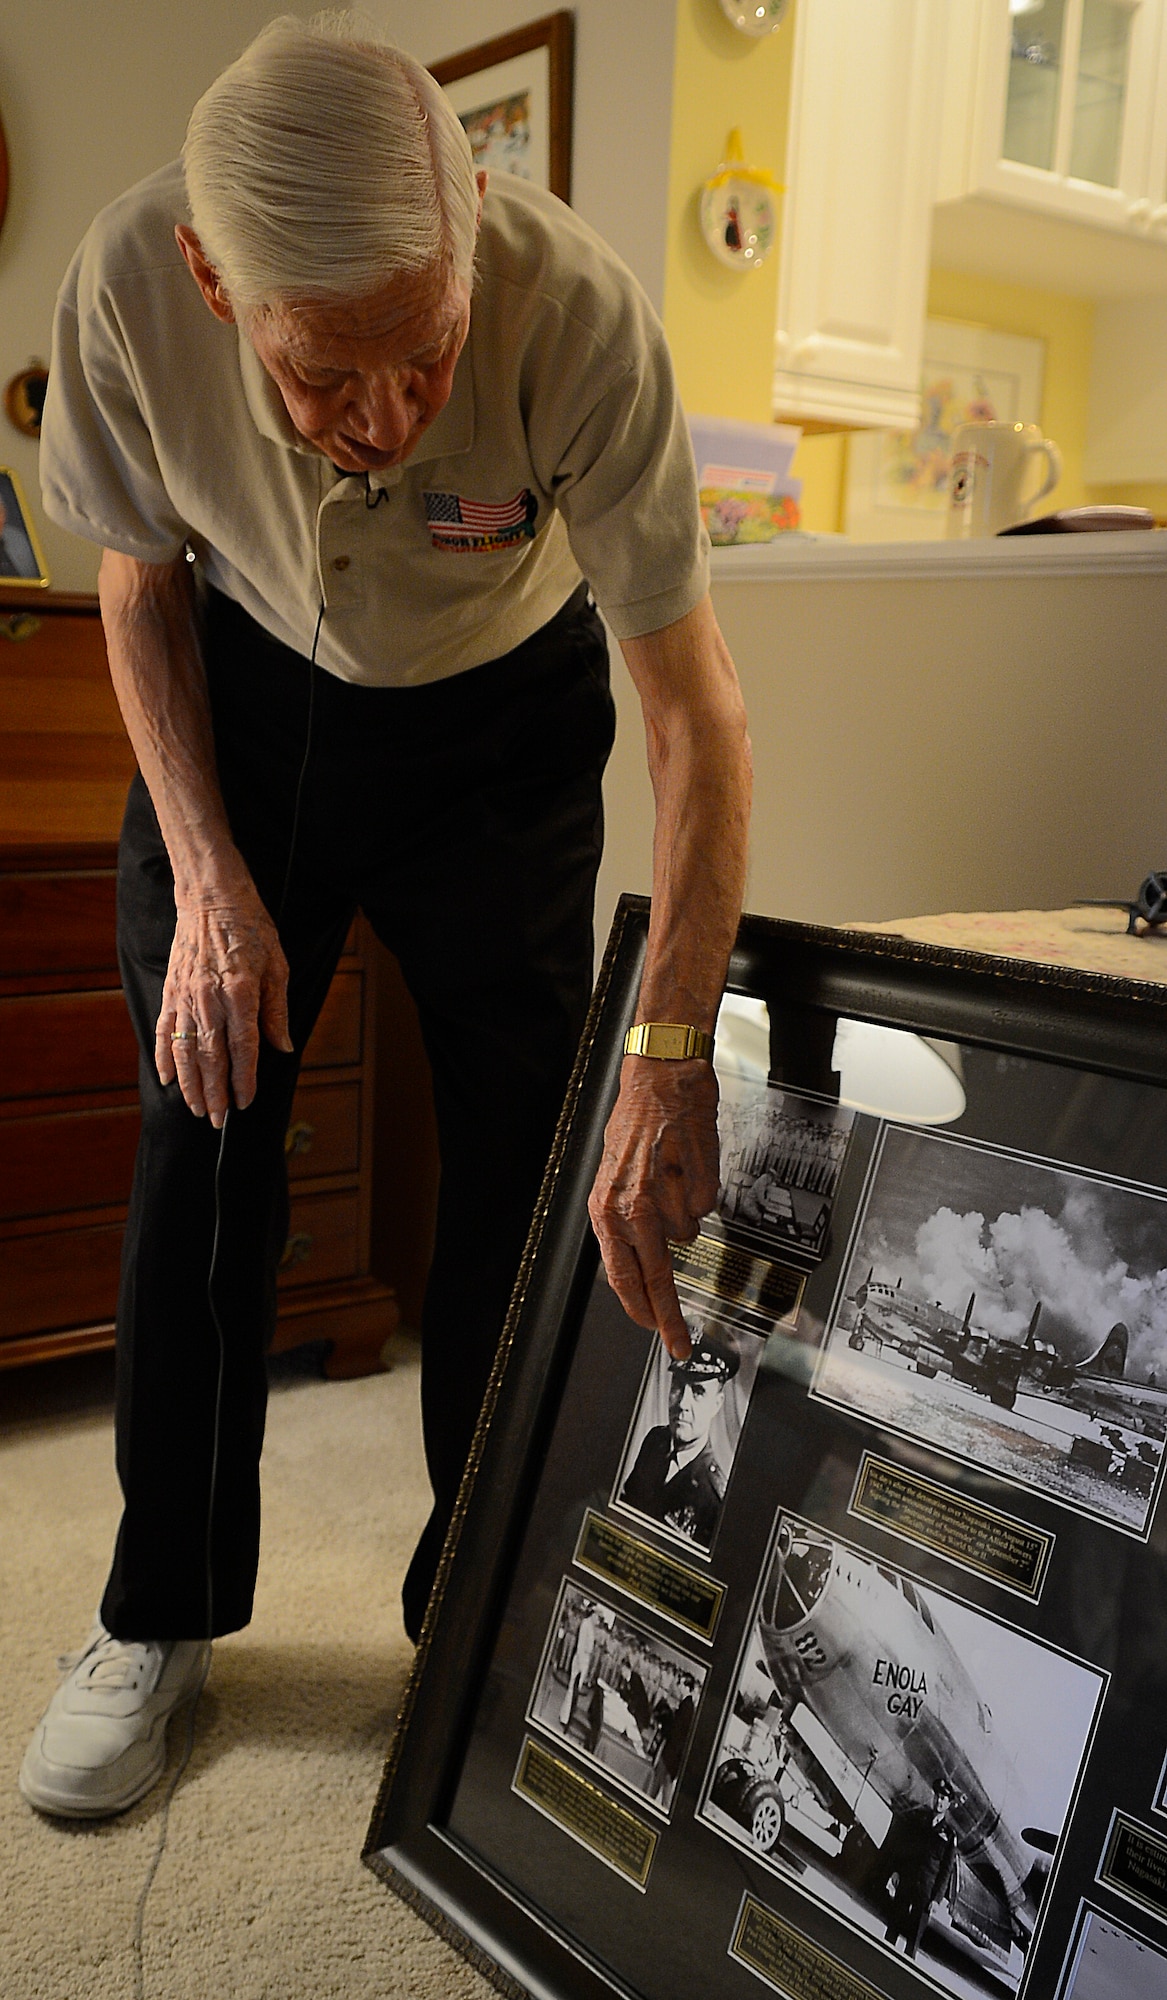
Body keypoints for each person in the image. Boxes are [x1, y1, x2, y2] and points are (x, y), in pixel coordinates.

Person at [20, 14, 750, 1821]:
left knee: (520, 1170)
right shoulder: (124, 286)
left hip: (497, 720)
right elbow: (134, 582)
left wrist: (666, 1052)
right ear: (212, 279)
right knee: (206, 1129)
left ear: (471, 232)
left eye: (421, 359)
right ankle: (159, 1614)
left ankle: (480, 1609)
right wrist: (207, 876)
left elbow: (694, 717)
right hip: (244, 699)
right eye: (326, 377)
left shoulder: (575, 316)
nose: (389, 418)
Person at [620, 1323, 740, 1546]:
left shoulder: (714, 1495)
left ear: (717, 1404)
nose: (683, 1403)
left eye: (698, 1391)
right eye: (678, 1385)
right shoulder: (655, 1441)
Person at [883, 1781, 961, 1961]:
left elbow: (946, 1871)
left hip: (926, 1891)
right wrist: (896, 1871)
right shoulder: (920, 1819)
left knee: (913, 1941)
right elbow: (906, 1847)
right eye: (937, 1797)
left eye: (943, 1799)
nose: (939, 1801)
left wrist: (936, 1899)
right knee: (893, 1927)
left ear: (949, 1804)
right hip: (908, 1880)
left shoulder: (949, 1835)